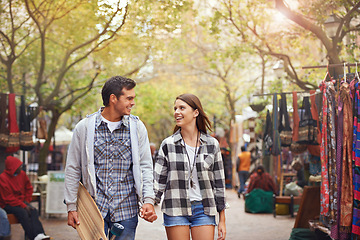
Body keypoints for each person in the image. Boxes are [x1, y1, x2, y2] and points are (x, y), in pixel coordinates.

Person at [64, 76, 157, 240]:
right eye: (129, 98)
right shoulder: (84, 127)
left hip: (126, 209)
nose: (133, 102)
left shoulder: (137, 127)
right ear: (113, 99)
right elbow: (73, 168)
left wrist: (148, 200)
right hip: (95, 209)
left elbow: (145, 167)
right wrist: (71, 206)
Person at [154, 93, 226, 240]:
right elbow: (158, 181)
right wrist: (149, 203)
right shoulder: (168, 145)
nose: (176, 112)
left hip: (204, 209)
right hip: (175, 208)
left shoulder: (212, 144)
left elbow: (219, 185)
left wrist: (222, 220)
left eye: (182, 108)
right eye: (175, 108)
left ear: (195, 112)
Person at [0, 156, 50, 240]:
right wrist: (23, 205)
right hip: (7, 204)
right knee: (23, 213)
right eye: (18, 166)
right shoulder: (3, 178)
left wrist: (26, 201)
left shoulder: (22, 174)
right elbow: (7, 198)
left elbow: (29, 188)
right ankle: (33, 236)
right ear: (12, 167)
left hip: (21, 201)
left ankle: (40, 233)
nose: (20, 168)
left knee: (33, 210)